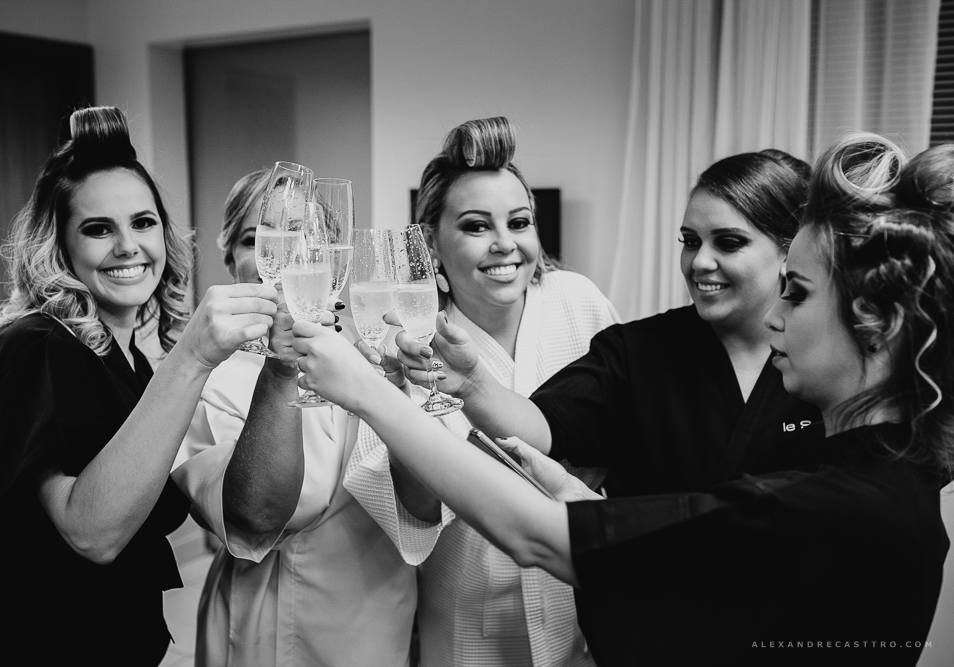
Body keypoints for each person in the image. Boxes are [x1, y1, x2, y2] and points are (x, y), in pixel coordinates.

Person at [289, 132, 954, 666]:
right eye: (690, 241)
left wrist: (368, 392)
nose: (776, 316)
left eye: (798, 292)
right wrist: (569, 492)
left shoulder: (833, 507)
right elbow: (703, 559)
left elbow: (540, 538)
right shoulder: (890, 480)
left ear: (880, 324)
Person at [0, 107, 278, 665]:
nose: (128, 246)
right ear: (60, 246)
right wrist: (195, 356)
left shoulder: (127, 361)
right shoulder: (39, 346)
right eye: (99, 229)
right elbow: (93, 534)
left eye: (143, 222)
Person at [344, 116, 619, 666]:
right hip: (472, 628)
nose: (504, 245)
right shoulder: (409, 341)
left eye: (519, 222)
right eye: (475, 227)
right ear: (430, 244)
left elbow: (627, 431)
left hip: (586, 612)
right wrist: (403, 411)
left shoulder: (579, 303)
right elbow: (415, 513)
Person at [389, 147, 821, 496]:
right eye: (690, 241)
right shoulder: (638, 351)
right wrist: (470, 384)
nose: (700, 262)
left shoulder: (830, 359)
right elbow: (543, 425)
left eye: (728, 243)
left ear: (790, 248)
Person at [170, 169, 415, 667]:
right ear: (232, 259)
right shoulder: (202, 376)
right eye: (258, 241)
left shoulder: (374, 357)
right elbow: (258, 514)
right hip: (267, 634)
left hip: (378, 622)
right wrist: (281, 367)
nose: (285, 258)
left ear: (331, 256)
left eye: (308, 239)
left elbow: (421, 506)